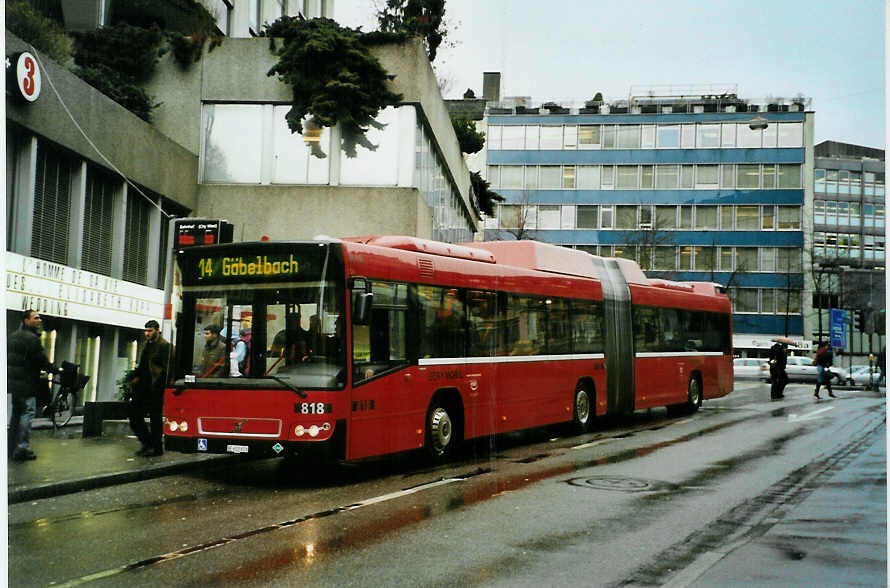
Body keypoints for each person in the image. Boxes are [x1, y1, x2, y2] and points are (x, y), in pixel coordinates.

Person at [7, 310, 55, 461]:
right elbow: (40, 359)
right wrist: (54, 369)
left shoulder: (13, 336)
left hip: (13, 383)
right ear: (26, 320)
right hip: (26, 383)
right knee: (27, 414)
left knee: (16, 415)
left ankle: (10, 447)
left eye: (40, 317)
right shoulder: (32, 339)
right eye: (36, 318)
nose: (39, 320)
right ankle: (22, 448)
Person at [127, 320, 171, 457]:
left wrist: (162, 385)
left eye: (150, 330)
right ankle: (147, 442)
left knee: (155, 418)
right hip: (143, 386)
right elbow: (143, 366)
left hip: (156, 386)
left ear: (157, 330)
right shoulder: (147, 345)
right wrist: (133, 376)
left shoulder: (165, 346)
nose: (147, 333)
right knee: (134, 415)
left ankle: (156, 448)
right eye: (145, 330)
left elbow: (168, 369)